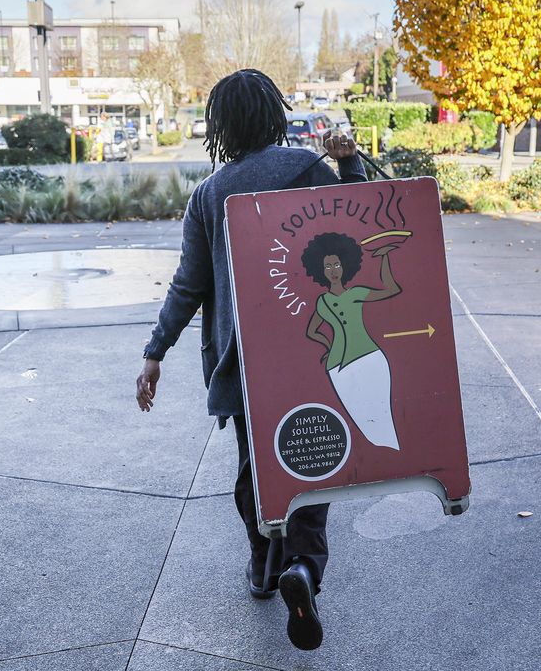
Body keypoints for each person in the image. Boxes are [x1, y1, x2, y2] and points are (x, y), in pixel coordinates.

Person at [136, 68, 366, 651]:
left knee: (253, 463)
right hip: (313, 350)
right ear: (274, 114)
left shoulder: (210, 195)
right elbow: (354, 230)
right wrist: (351, 166)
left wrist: (155, 352)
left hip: (243, 363)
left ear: (221, 128)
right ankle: (303, 568)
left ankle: (265, 563)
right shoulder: (308, 169)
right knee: (311, 456)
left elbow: (188, 286)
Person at [303, 232, 402, 449]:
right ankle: (382, 457)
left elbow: (392, 289)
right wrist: (329, 346)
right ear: (320, 271)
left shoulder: (356, 293)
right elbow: (312, 331)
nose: (333, 271)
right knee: (362, 418)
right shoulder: (323, 302)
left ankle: (393, 455)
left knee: (382, 412)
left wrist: (384, 258)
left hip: (370, 358)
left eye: (336, 264)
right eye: (327, 266)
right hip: (338, 368)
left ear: (344, 265)